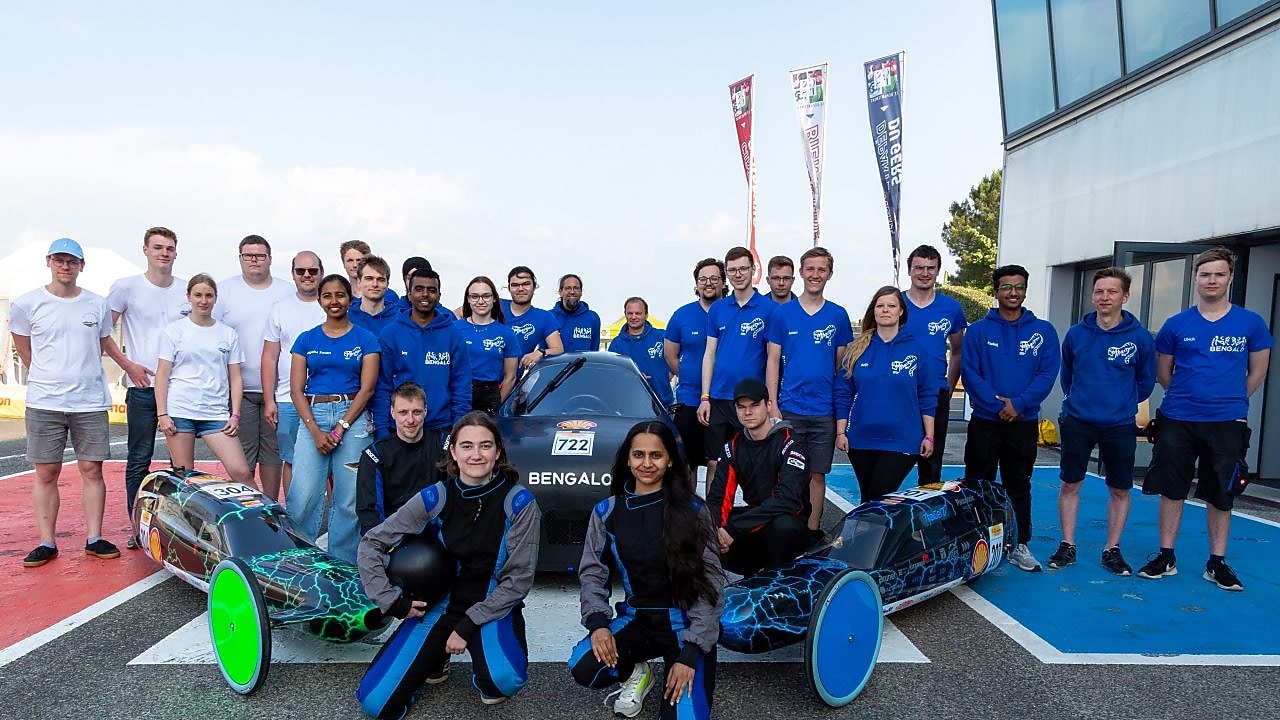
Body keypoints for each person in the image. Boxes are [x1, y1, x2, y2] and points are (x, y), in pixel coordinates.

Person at [356, 411, 541, 716]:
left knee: (504, 679)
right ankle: (435, 657)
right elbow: (371, 543)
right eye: (467, 446)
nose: (476, 454)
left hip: (490, 603)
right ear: (453, 452)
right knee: (375, 702)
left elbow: (518, 581)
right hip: (439, 605)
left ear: (498, 452)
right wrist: (392, 602)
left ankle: (478, 663)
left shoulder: (520, 503)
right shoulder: (435, 496)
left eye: (485, 446)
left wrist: (467, 627)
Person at [568, 421, 723, 720]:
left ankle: (682, 664)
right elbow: (592, 575)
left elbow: (712, 585)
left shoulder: (693, 510)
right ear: (628, 459)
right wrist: (598, 624)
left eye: (656, 455)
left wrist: (690, 655)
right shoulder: (607, 511)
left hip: (685, 625)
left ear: (670, 461)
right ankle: (638, 671)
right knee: (584, 665)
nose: (647, 463)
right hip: (636, 620)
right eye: (639, 455)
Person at [1137, 247, 1272, 591]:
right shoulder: (1176, 325)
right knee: (1172, 488)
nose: (1212, 280)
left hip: (1227, 421)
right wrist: (1189, 396)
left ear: (1230, 277)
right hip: (1178, 418)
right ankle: (1166, 555)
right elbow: (1163, 373)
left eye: (1219, 274)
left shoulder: (1250, 323)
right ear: (1196, 279)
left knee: (1220, 493)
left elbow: (1257, 371)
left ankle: (1217, 562)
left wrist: (1230, 399)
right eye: (1205, 274)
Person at [11, 238, 121, 568]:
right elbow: (24, 347)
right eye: (59, 260)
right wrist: (47, 375)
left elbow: (103, 341)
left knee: (92, 468)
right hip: (45, 400)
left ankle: (94, 538)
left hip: (88, 400)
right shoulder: (26, 303)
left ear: (82, 266)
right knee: (46, 471)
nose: (65, 266)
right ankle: (47, 541)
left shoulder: (97, 304)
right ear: (48, 262)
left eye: (72, 261)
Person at [962, 264, 1060, 572]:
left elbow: (1047, 374)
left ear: (1025, 290)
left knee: (1019, 484)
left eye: (1018, 287)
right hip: (986, 423)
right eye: (1006, 287)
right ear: (996, 291)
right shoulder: (978, 331)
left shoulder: (1043, 331)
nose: (1013, 292)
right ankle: (974, 543)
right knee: (979, 484)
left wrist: (1018, 405)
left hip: (1023, 423)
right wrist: (998, 406)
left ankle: (1019, 543)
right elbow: (971, 373)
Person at [105, 226, 190, 549]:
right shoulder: (126, 287)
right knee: (139, 458)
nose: (164, 253)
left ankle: (179, 529)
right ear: (145, 250)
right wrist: (127, 364)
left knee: (180, 465)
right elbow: (102, 332)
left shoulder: (186, 289)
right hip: (143, 386)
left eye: (169, 248)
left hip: (180, 391)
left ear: (176, 252)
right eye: (158, 247)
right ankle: (135, 525)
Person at [287, 274, 379, 564]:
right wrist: (315, 431)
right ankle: (298, 561)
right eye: (327, 296)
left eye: (340, 295)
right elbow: (296, 389)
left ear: (350, 299)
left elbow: (367, 389)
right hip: (313, 416)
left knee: (348, 499)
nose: (334, 301)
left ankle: (341, 566)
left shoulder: (366, 339)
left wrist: (342, 427)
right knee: (302, 495)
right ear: (319, 300)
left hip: (352, 417)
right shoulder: (306, 339)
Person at [765, 247, 853, 537]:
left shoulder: (838, 316)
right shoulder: (782, 314)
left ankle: (812, 532)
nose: (815, 275)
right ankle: (787, 529)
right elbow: (773, 361)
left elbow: (840, 366)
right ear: (801, 273)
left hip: (823, 412)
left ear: (829, 274)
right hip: (789, 408)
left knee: (817, 474)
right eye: (810, 269)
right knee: (788, 474)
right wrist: (772, 403)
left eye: (821, 270)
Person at [834, 287, 936, 501]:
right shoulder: (857, 349)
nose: (885, 310)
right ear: (874, 311)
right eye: (880, 306)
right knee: (868, 499)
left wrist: (929, 435)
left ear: (901, 311)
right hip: (862, 439)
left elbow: (927, 395)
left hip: (902, 439)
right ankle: (866, 536)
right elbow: (843, 393)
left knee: (878, 497)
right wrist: (841, 432)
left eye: (891, 306)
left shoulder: (916, 349)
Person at [154, 274, 254, 487]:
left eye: (209, 295)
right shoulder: (174, 331)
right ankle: (187, 521)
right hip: (180, 411)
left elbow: (236, 378)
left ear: (215, 298)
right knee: (185, 479)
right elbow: (162, 375)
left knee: (241, 471)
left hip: (215, 413)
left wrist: (235, 414)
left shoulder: (227, 333)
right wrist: (162, 413)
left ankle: (263, 519)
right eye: (198, 295)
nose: (203, 300)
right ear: (188, 296)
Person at [215, 235, 294, 498]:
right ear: (240, 258)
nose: (254, 260)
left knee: (273, 455)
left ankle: (270, 509)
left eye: (260, 255)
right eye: (248, 255)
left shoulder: (286, 291)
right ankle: (248, 509)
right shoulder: (224, 291)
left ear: (270, 259)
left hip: (278, 390)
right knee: (243, 459)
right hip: (240, 389)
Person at [705, 379, 810, 575]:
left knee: (782, 526)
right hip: (755, 521)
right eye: (741, 407)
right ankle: (752, 577)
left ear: (768, 405)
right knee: (704, 528)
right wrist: (717, 532)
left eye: (754, 405)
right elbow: (718, 497)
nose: (748, 412)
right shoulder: (733, 448)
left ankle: (782, 581)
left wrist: (734, 530)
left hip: (789, 524)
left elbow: (787, 500)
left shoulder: (792, 444)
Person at [697, 247, 776, 473]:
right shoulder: (718, 309)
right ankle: (715, 510)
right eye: (732, 270)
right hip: (719, 398)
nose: (738, 274)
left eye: (743, 268)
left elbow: (773, 359)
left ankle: (757, 509)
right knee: (715, 462)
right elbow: (709, 354)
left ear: (753, 270)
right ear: (727, 275)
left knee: (756, 463)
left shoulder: (769, 309)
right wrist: (705, 398)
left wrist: (770, 401)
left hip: (751, 401)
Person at [374, 267, 471, 439]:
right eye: (419, 289)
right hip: (400, 428)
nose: (425, 294)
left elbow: (461, 385)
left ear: (439, 296)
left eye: (431, 290)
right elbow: (382, 385)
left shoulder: (453, 334)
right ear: (409, 294)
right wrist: (382, 430)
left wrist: (458, 426)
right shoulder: (391, 334)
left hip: (442, 428)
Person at [900, 244, 968, 485]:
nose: (924, 273)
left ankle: (927, 520)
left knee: (930, 466)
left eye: (931, 268)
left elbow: (958, 351)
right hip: (899, 393)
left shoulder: (951, 308)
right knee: (892, 459)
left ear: (938, 271)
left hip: (935, 394)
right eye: (919, 267)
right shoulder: (894, 303)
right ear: (909, 270)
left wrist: (948, 387)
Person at [261, 251, 326, 499]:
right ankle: (293, 517)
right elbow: (269, 356)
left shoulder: (331, 305)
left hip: (323, 399)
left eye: (312, 271)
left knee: (328, 460)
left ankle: (331, 525)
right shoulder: (280, 309)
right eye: (301, 271)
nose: (307, 276)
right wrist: (270, 400)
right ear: (293, 274)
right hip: (287, 399)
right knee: (290, 460)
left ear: (321, 272)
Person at [355, 381, 446, 537]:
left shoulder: (444, 445)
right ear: (392, 412)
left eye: (416, 412)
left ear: (425, 411)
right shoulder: (375, 455)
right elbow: (369, 512)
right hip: (394, 536)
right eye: (403, 412)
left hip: (437, 534)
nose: (410, 420)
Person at [664, 258, 726, 474]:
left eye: (714, 278)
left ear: (723, 283)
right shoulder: (682, 315)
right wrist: (692, 375)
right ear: (696, 284)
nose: (708, 283)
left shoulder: (732, 312)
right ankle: (686, 508)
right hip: (689, 401)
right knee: (686, 465)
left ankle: (713, 509)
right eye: (703, 279)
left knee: (717, 463)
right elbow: (670, 355)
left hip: (723, 400)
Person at [457, 276, 519, 416]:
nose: (480, 301)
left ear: (494, 298)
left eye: (486, 296)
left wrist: (496, 404)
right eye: (475, 296)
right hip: (460, 393)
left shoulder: (507, 334)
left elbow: (510, 377)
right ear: (468, 299)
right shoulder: (454, 329)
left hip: (490, 396)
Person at [609, 297, 674, 408]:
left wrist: (670, 373)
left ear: (646, 315)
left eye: (638, 313)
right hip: (631, 407)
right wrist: (633, 378)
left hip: (664, 405)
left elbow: (678, 355)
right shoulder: (617, 344)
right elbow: (612, 375)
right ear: (625, 315)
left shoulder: (661, 336)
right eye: (630, 313)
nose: (634, 317)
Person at [501, 266, 563, 372]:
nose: (520, 289)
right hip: (476, 379)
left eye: (526, 284)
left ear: (534, 287)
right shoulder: (496, 305)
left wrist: (540, 352)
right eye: (515, 285)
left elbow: (558, 349)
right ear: (509, 288)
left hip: (511, 383)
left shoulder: (544, 317)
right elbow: (462, 312)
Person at [350, 255, 402, 338]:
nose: (375, 284)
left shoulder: (400, 319)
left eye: (381, 279)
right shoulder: (348, 318)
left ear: (387, 284)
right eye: (369, 278)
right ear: (359, 282)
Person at [551, 273, 601, 352]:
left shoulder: (593, 318)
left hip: (585, 364)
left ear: (581, 292)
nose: (572, 292)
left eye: (576, 288)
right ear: (560, 292)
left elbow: (594, 352)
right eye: (568, 288)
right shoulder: (549, 317)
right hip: (557, 364)